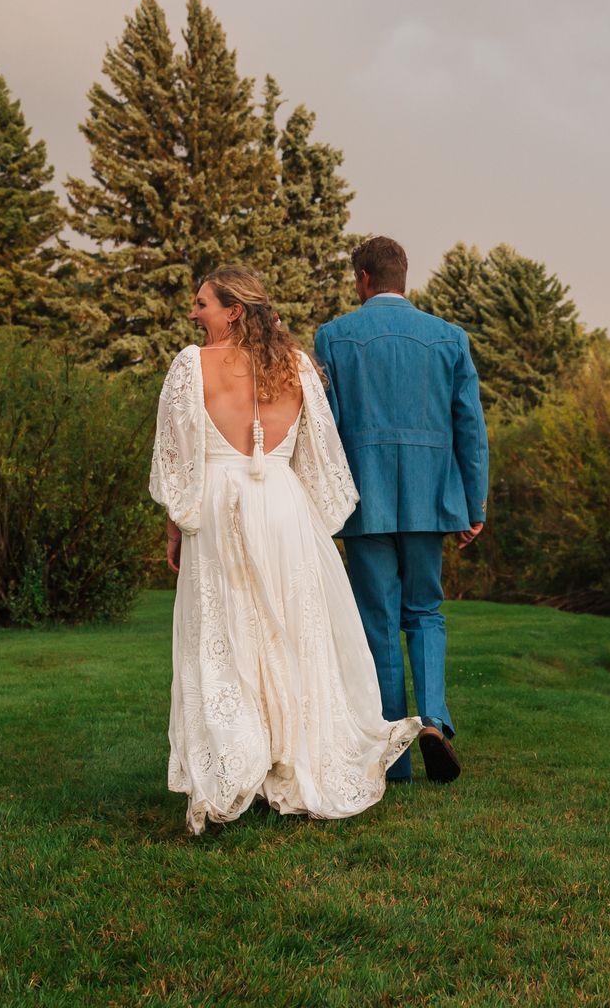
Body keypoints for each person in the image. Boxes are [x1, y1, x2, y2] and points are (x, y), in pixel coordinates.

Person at [150, 264, 420, 834]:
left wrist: (177, 523)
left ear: (234, 311)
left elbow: (174, 457)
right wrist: (303, 520)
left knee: (223, 636)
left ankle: (231, 771)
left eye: (202, 304)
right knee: (290, 635)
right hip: (283, 505)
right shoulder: (296, 366)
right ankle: (291, 763)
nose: (193, 312)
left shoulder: (188, 367)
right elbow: (322, 462)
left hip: (219, 509)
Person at [312, 236, 487, 784]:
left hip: (365, 502)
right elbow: (469, 426)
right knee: (426, 612)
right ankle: (433, 718)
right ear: (402, 278)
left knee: (379, 624)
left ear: (363, 279)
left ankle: (396, 754)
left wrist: (322, 499)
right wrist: (472, 502)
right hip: (431, 497)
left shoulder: (333, 337)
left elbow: (327, 429)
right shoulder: (449, 338)